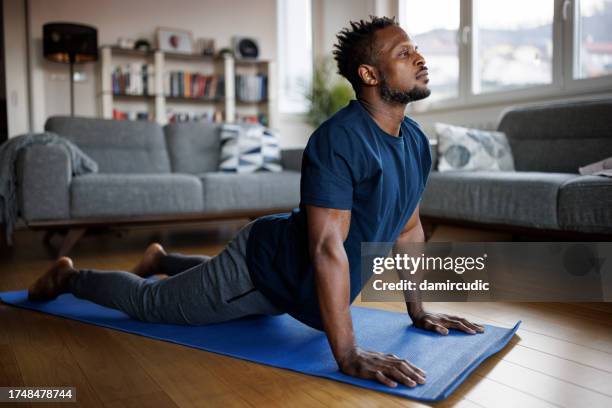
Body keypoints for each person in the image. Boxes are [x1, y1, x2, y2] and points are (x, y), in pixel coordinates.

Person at [28, 15, 484, 389]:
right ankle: (71, 277)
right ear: (369, 75)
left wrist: (418, 310)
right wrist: (346, 354)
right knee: (151, 304)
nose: (419, 58)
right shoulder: (339, 140)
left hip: (288, 273)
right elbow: (327, 250)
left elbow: (408, 230)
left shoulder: (416, 141)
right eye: (404, 53)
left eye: (416, 49)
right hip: (261, 272)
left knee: (207, 286)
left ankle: (163, 256)